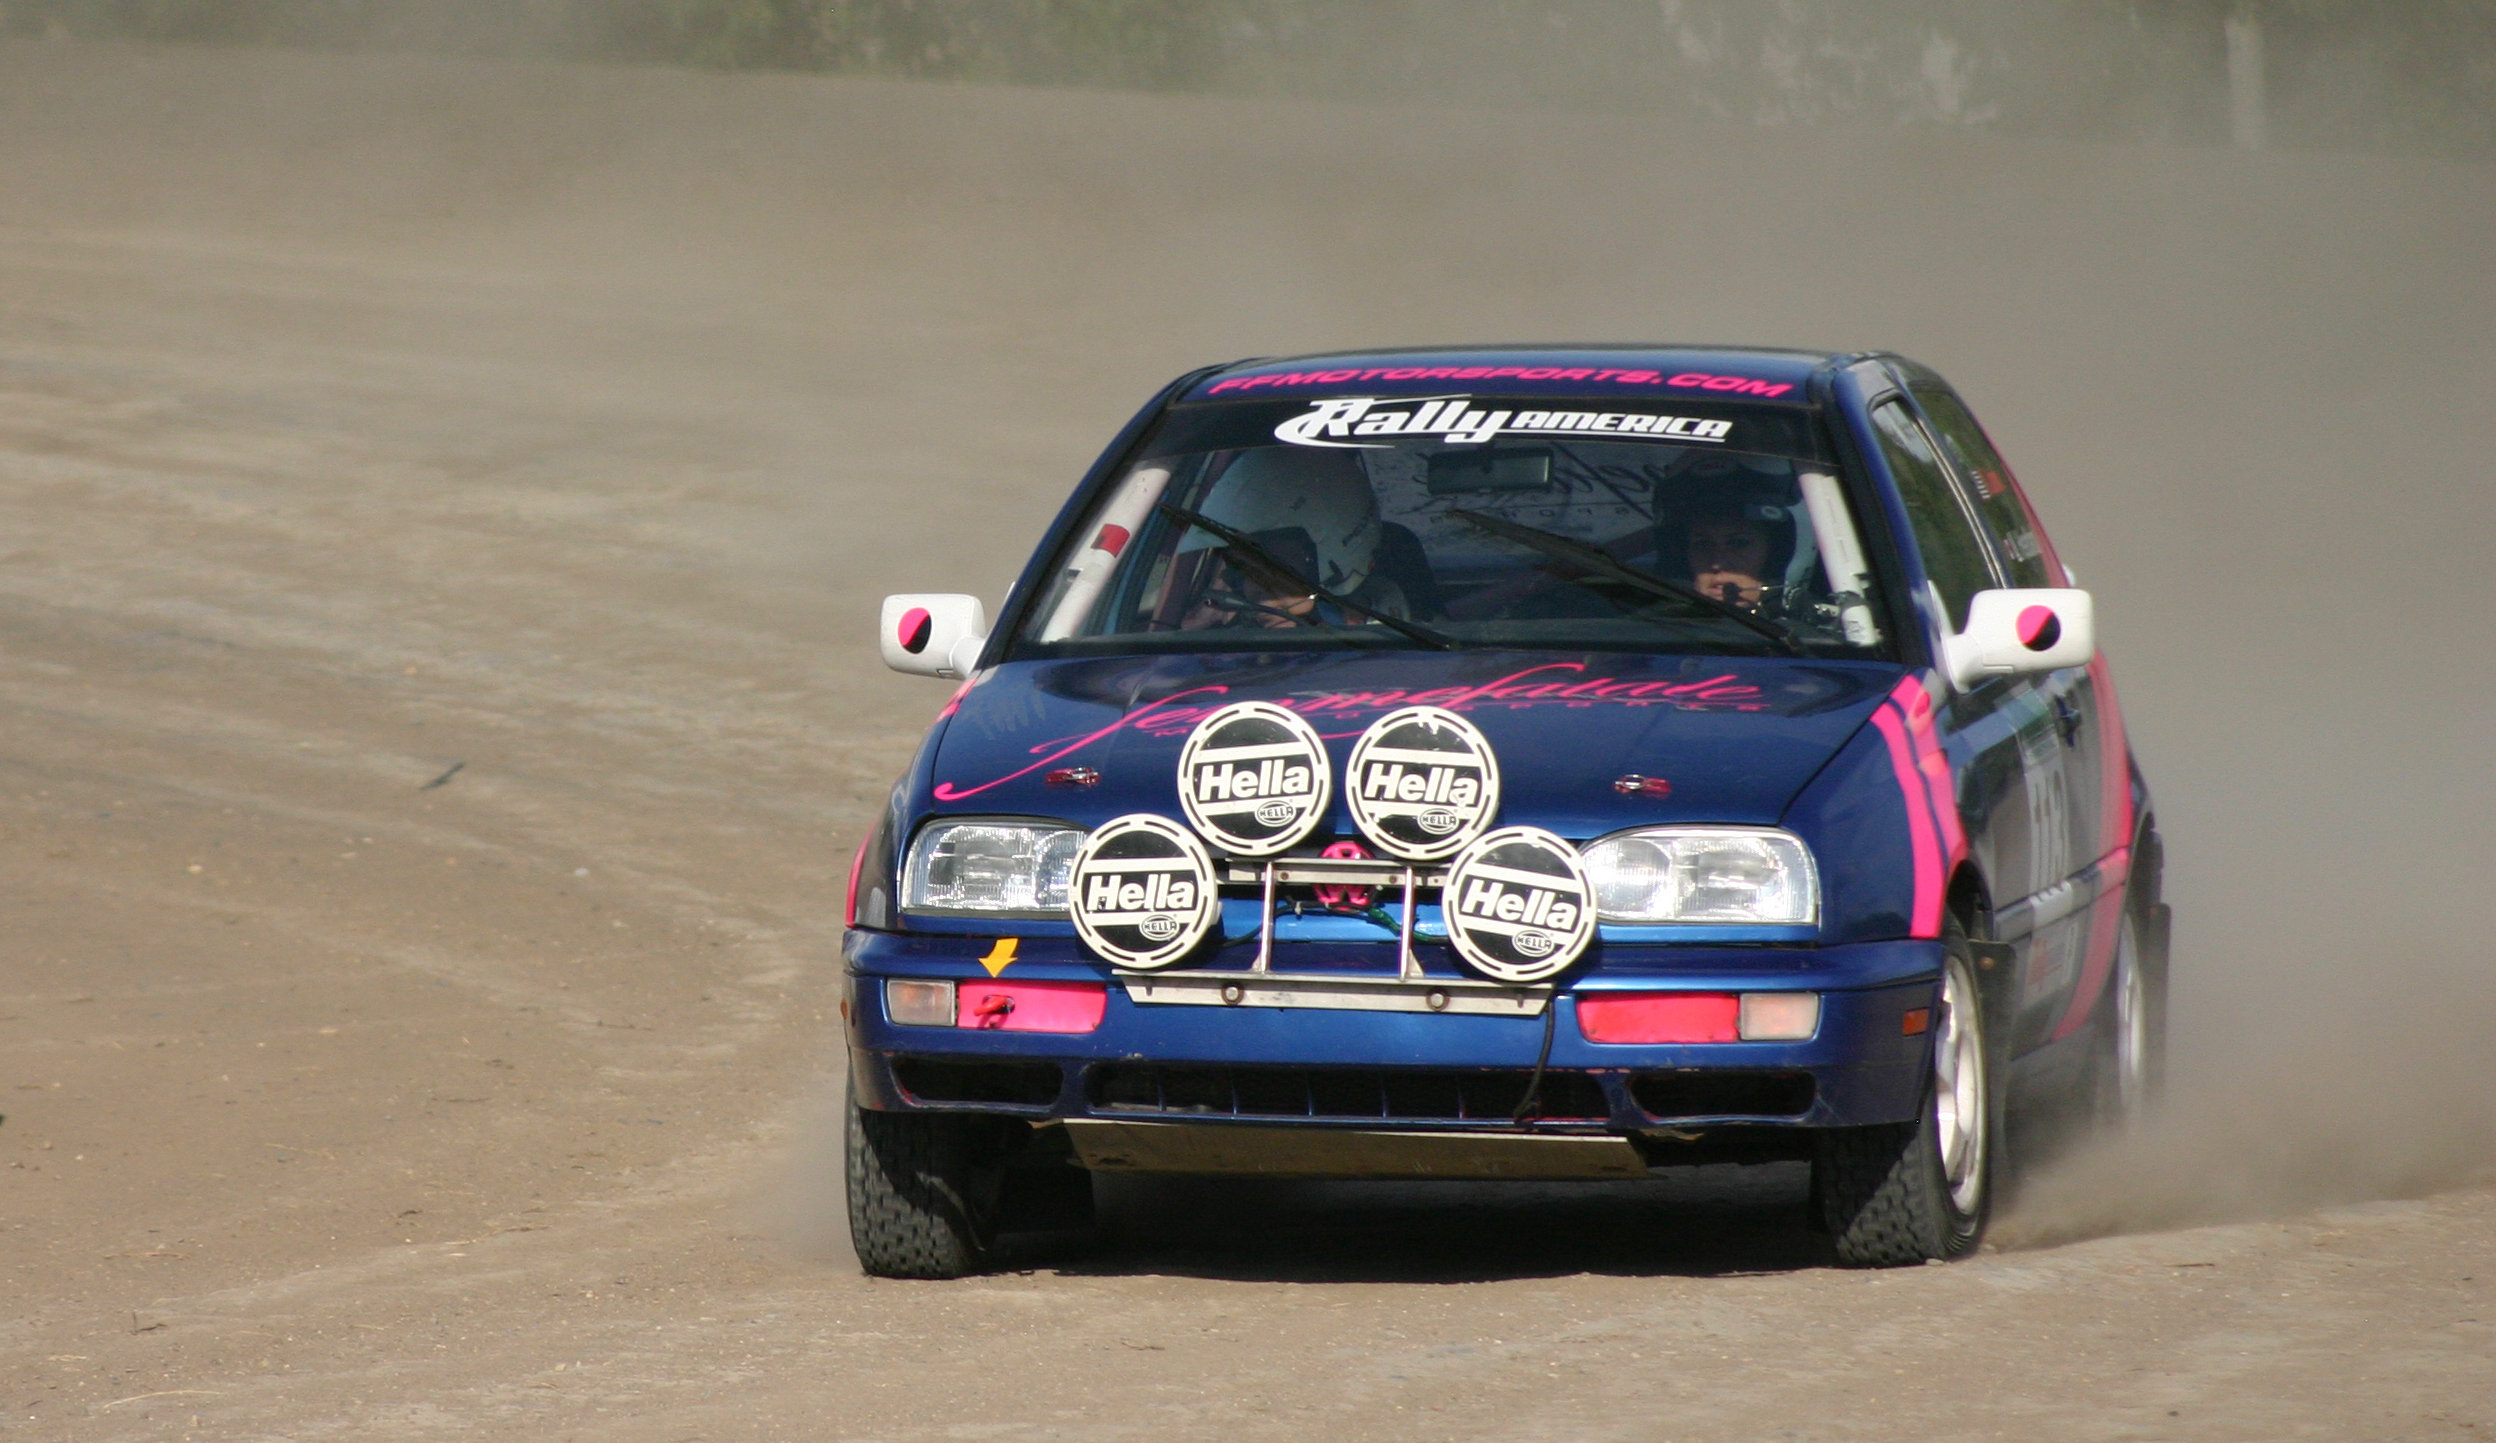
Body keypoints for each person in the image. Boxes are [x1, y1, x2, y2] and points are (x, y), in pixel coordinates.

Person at [1174, 449, 1409, 630]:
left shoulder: (1395, 642)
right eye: (1243, 569)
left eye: (1276, 566)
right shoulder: (1222, 647)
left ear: (1337, 557)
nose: (1254, 589)